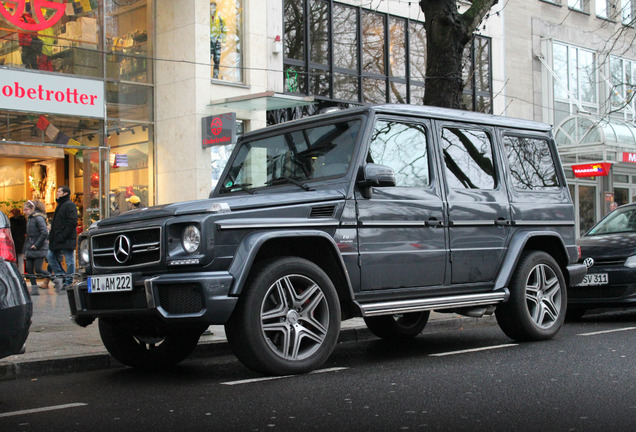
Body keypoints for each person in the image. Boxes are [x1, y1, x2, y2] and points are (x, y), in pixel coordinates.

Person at [47, 185, 78, 293]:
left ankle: (68, 280)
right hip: (58, 237)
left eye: (59, 191)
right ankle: (62, 276)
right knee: (50, 256)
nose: (57, 193)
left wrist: (63, 234)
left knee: (69, 260)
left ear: (65, 193)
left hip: (66, 237)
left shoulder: (69, 205)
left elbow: (72, 222)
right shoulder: (60, 205)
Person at [23, 200, 52, 296]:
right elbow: (28, 236)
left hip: (39, 248)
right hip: (31, 247)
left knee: (38, 269)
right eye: (24, 210)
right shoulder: (30, 219)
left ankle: (56, 279)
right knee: (29, 268)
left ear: (32, 209)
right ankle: (34, 288)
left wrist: (36, 244)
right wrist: (25, 250)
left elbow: (44, 232)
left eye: (26, 209)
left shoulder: (38, 218)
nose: (25, 212)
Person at [210, 2, 226, 79]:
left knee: (217, 59)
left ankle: (215, 75)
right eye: (211, 7)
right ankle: (206, 74)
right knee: (208, 58)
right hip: (209, 41)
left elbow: (224, 30)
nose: (212, 8)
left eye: (213, 7)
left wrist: (223, 42)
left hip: (217, 41)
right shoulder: (207, 16)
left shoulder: (220, 17)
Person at [9, 208, 26, 275]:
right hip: (22, 240)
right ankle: (21, 274)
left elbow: (11, 231)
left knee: (13, 259)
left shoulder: (12, 221)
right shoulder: (24, 220)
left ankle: (14, 274)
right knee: (20, 259)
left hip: (13, 241)